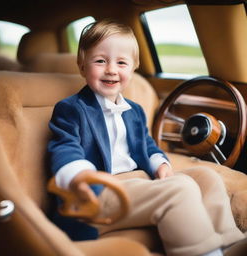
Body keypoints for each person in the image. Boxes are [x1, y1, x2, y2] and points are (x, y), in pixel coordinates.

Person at [48, 20, 244, 256]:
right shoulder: (71, 109)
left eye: (121, 62)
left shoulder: (135, 110)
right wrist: (79, 174)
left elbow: (147, 145)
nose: (111, 69)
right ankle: (202, 252)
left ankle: (227, 243)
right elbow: (64, 146)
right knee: (179, 188)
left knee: (206, 176)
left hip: (138, 181)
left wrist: (159, 163)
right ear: (82, 66)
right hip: (98, 191)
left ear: (133, 68)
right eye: (100, 61)